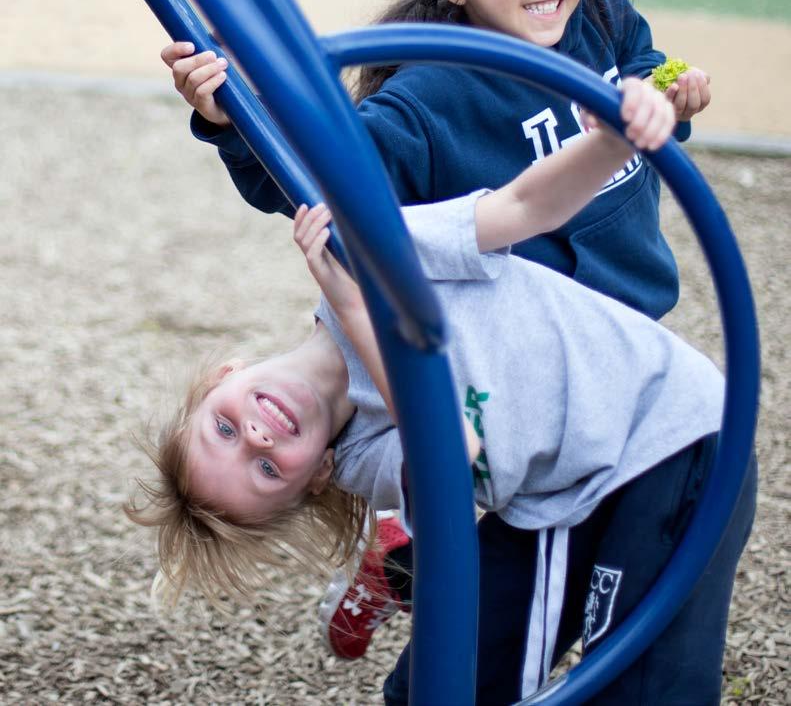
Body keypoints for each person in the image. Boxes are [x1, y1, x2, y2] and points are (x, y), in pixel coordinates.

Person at [157, 0, 719, 700]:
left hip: (610, 358)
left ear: (220, 378)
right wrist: (235, 120)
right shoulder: (426, 112)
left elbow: (611, 110)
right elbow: (321, 180)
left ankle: (406, 556)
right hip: (581, 416)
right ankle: (408, 554)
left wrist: (661, 97)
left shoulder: (598, 19)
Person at [126, 89, 753, 706]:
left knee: (644, 690)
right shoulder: (364, 459)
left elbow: (524, 206)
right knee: (434, 689)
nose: (258, 438)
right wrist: (359, 311)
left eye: (224, 430)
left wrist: (613, 142)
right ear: (317, 474)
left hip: (665, 433)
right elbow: (455, 444)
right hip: (565, 491)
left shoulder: (368, 251)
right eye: (266, 470)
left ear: (223, 377)